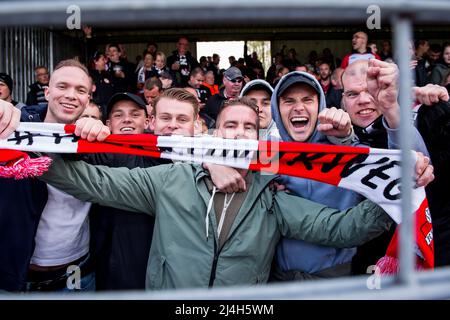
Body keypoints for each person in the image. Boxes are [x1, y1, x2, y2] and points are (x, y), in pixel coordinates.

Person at [36, 97, 395, 290]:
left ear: (259, 139)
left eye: (248, 128)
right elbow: (93, 182)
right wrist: (31, 153)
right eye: (230, 126)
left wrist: (397, 190)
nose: (239, 134)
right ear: (213, 133)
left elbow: (342, 229)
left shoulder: (271, 196)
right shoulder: (170, 180)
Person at [0, 59, 98, 292]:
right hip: (12, 280)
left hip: (77, 278)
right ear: (47, 91)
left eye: (80, 90)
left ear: (87, 99)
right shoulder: (12, 129)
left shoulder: (96, 142)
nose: (71, 95)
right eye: (63, 86)